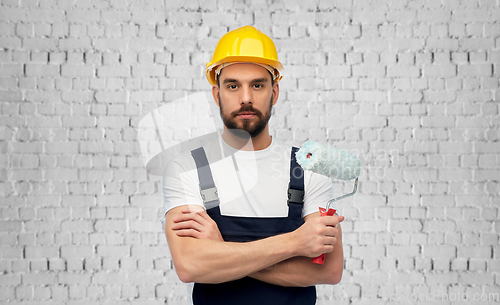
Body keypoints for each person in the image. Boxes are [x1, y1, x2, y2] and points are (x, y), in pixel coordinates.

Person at [162, 25, 344, 305]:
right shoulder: (187, 168)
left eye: (257, 85)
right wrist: (296, 243)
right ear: (216, 94)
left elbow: (329, 270)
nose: (245, 97)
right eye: (233, 85)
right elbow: (190, 265)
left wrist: (222, 251)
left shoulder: (308, 169)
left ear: (275, 92)